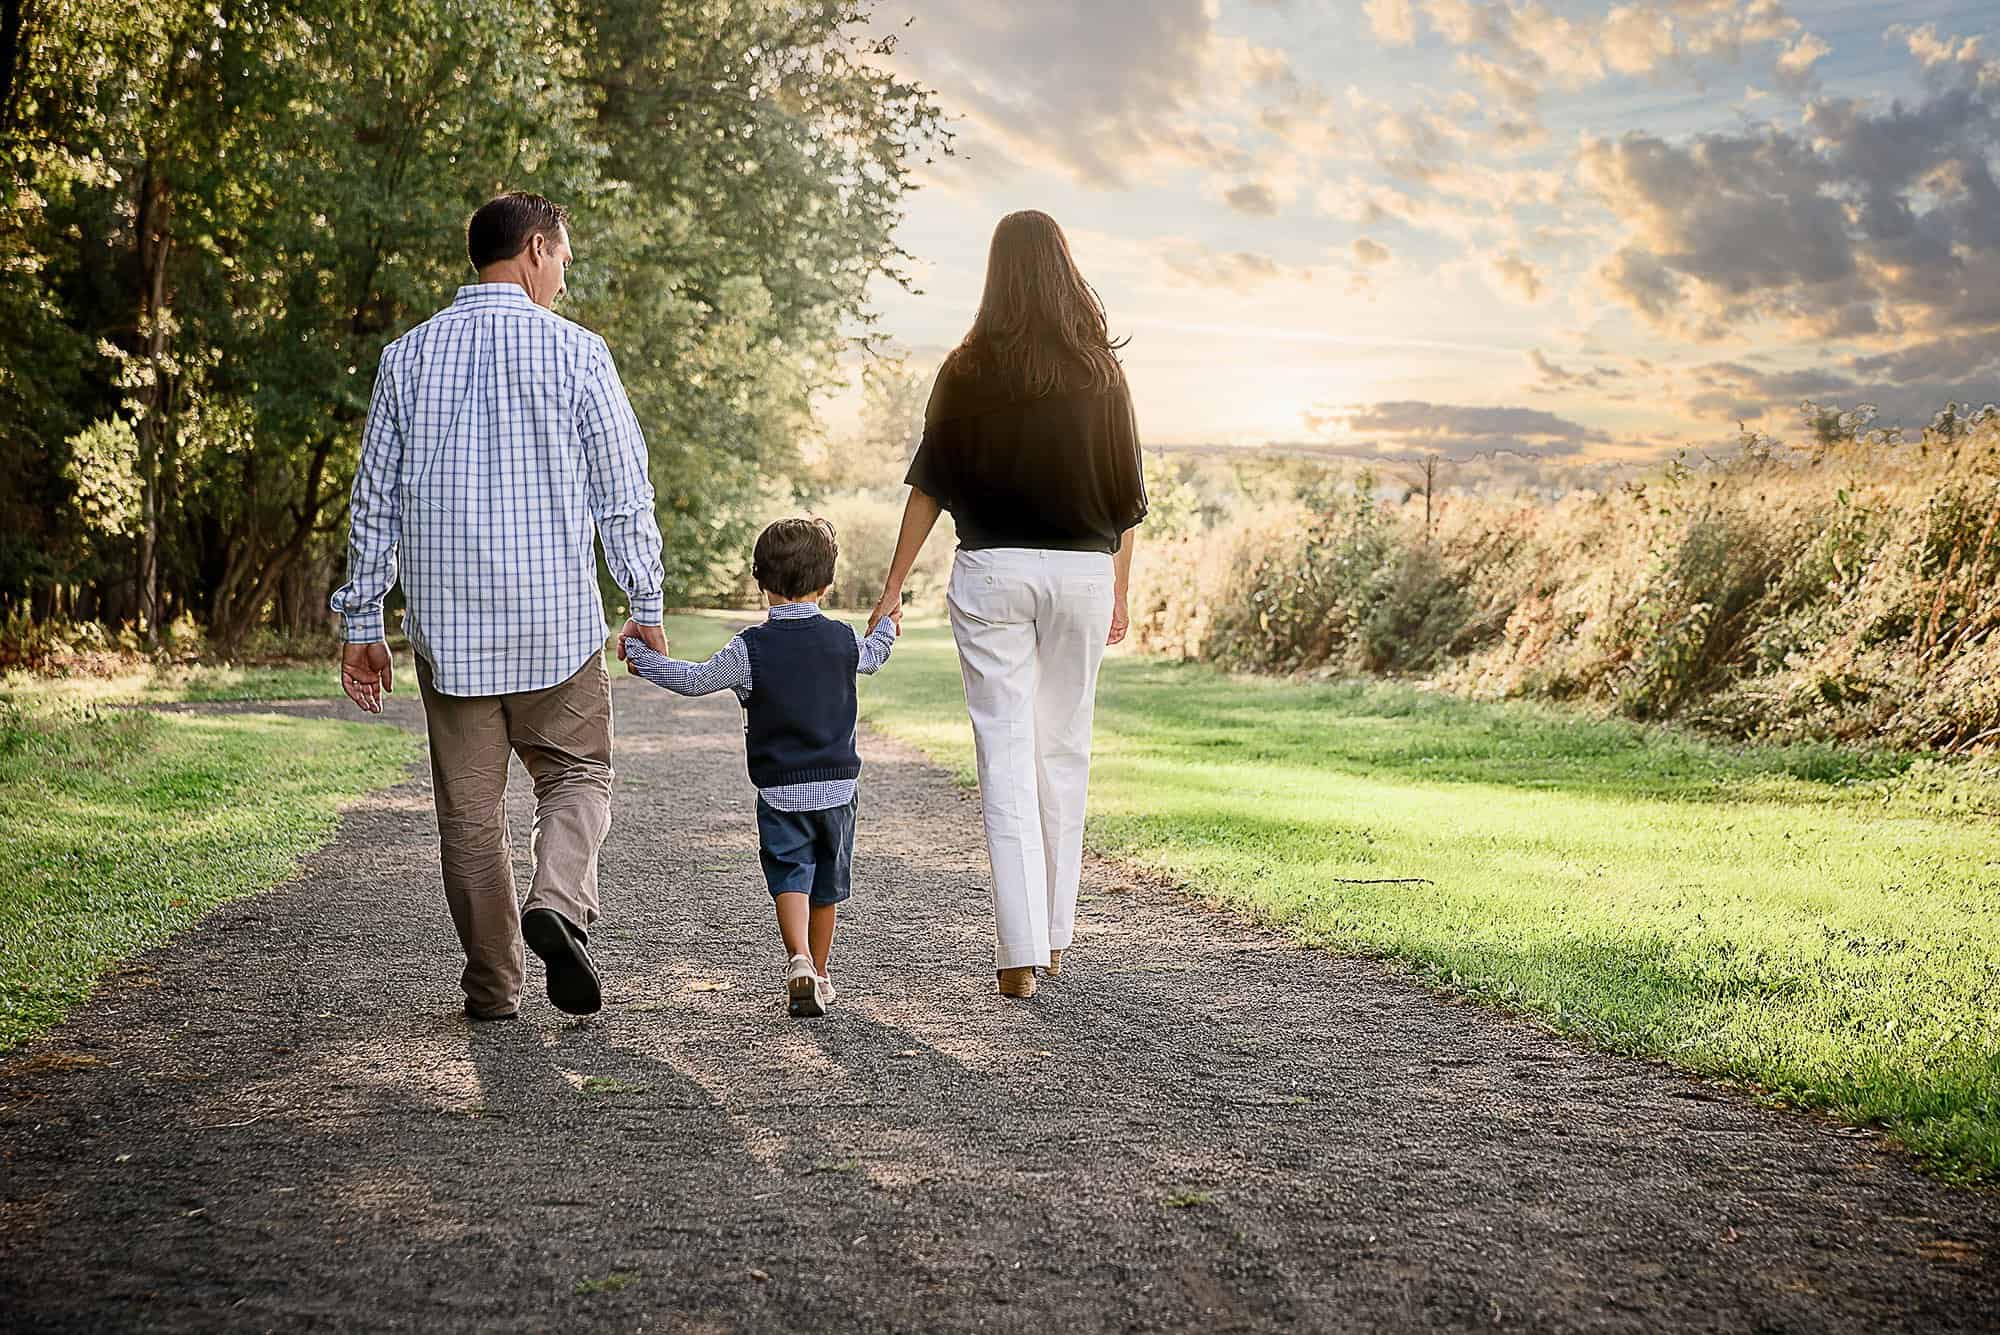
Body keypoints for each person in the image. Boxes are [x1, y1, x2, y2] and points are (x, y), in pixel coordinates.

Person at [330, 191, 667, 1022]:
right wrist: (644, 599)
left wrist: (363, 623)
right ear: (536, 249)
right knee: (578, 773)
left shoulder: (406, 358)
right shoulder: (579, 354)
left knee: (472, 819)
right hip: (556, 625)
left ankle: (492, 988)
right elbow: (623, 496)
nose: (562, 278)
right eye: (562, 261)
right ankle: (558, 900)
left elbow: (372, 502)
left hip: (451, 634)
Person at [868, 210, 1147, 1000]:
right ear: (1066, 268)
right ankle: (1055, 939)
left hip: (991, 572)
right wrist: (1120, 591)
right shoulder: (1103, 371)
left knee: (1006, 758)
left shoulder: (965, 368)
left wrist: (892, 586)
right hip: (1084, 577)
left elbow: (930, 484)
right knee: (1065, 752)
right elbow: (1128, 500)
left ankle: (1018, 952)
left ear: (995, 274)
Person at [621, 518, 897, 1017]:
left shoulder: (749, 649)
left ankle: (797, 959)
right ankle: (823, 972)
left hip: (779, 790)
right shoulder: (842, 640)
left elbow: (694, 680)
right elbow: (874, 656)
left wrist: (641, 655)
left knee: (791, 874)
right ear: (827, 584)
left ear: (761, 583)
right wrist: (889, 623)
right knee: (827, 885)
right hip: (837, 788)